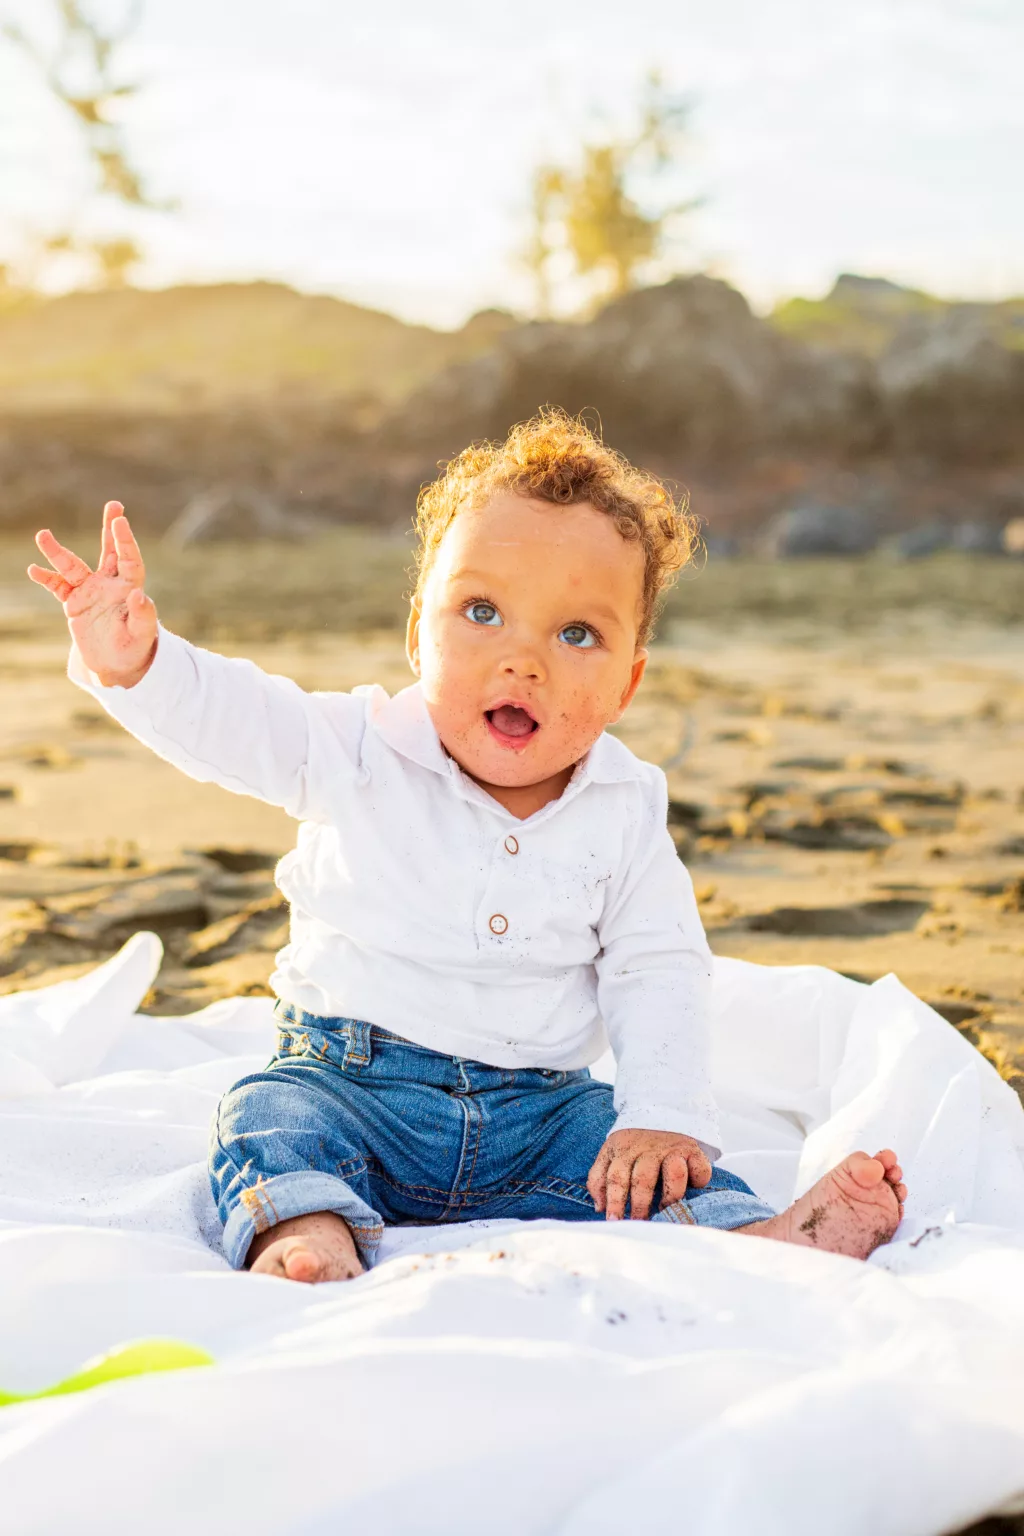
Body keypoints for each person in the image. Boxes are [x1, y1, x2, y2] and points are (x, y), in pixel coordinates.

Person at [28, 410, 906, 1284]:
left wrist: (664, 1114)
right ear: (418, 633)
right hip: (350, 1084)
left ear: (628, 680)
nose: (523, 659)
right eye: (482, 611)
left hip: (541, 1112)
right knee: (266, 1116)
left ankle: (757, 1238)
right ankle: (311, 1234)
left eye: (576, 634)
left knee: (644, 1163)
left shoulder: (624, 808)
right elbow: (238, 719)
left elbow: (659, 966)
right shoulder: (358, 747)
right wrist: (137, 659)